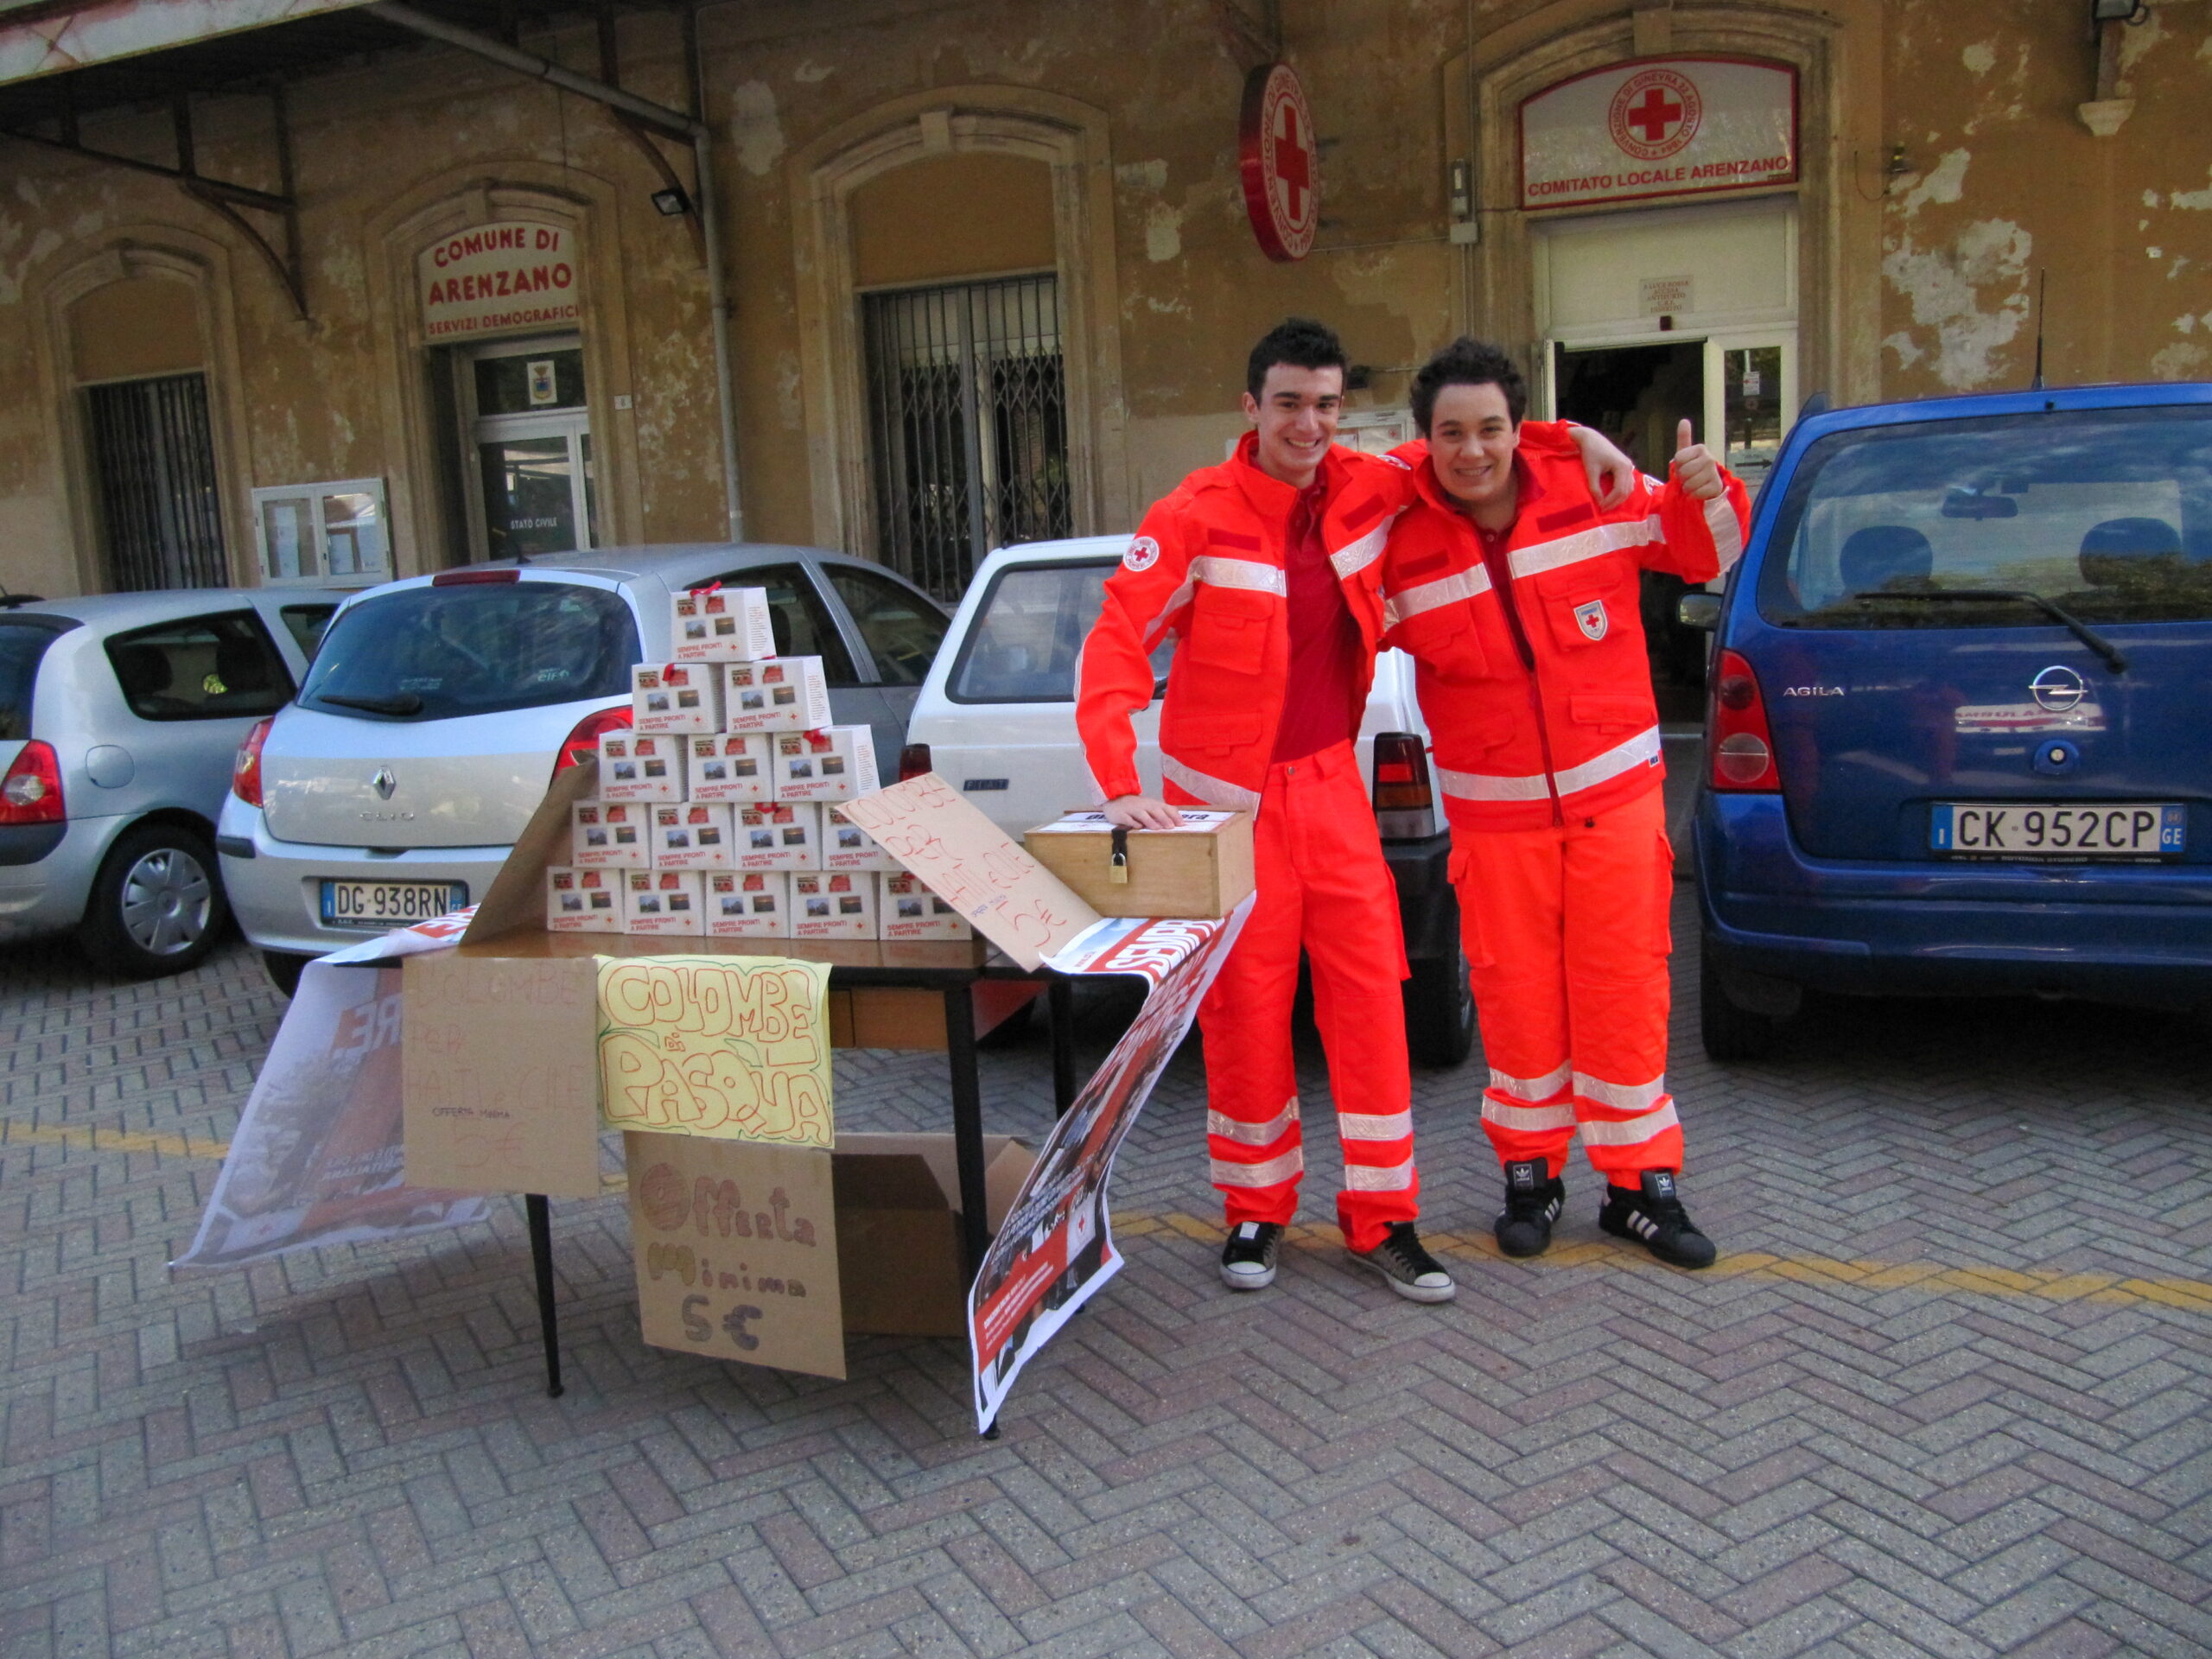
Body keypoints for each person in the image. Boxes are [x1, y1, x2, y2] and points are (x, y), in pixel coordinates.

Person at [1074, 318, 1633, 1300]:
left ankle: (1385, 1218)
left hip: (1331, 787)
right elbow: (1117, 641)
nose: (1309, 423)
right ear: (1251, 409)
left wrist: (1568, 439)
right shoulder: (1194, 512)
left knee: (1373, 1000)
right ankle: (1254, 1212)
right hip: (1223, 811)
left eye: (1326, 405)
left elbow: (1467, 447)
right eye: (1289, 403)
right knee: (1246, 1012)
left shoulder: (1372, 487)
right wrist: (1117, 780)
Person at [1379, 337, 1750, 1269]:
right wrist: (1564, 428)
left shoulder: (1591, 488)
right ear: (1424, 441)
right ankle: (1531, 1175)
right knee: (1515, 998)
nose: (1473, 450)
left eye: (1494, 428)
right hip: (1496, 824)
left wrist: (1707, 484)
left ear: (1516, 428)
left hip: (1616, 806)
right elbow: (1338, 485)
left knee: (1624, 987)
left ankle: (1639, 1187)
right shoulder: (1400, 534)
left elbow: (1706, 550)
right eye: (1451, 433)